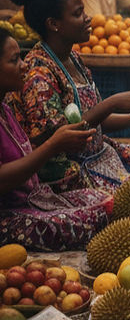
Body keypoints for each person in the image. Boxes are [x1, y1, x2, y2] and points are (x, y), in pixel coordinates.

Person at [6, 0, 130, 191]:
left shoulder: (74, 59)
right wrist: (113, 103)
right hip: (69, 175)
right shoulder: (38, 73)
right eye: (78, 14)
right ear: (54, 24)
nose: (88, 18)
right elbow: (59, 138)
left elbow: (95, 122)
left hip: (100, 157)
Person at [0, 26, 113, 250]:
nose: (24, 66)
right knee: (89, 222)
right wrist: (52, 146)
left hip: (34, 198)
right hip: (8, 216)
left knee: (104, 202)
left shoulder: (4, 108)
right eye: (14, 61)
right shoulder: (41, 71)